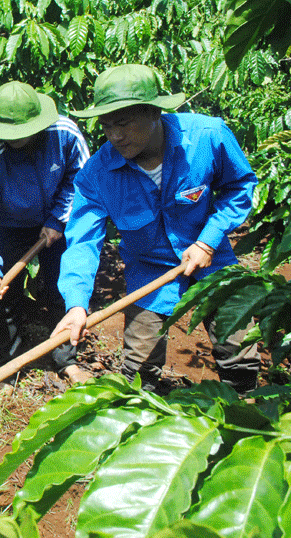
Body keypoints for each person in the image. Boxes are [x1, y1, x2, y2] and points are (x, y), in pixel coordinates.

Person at [52, 64, 260, 393]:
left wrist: (208, 240)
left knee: (239, 354)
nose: (114, 136)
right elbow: (82, 243)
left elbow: (240, 187)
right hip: (150, 272)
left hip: (212, 259)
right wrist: (76, 303)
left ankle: (246, 414)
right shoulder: (97, 175)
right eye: (106, 126)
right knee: (139, 371)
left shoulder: (208, 137)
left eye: (122, 123)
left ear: (153, 113)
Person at [0, 81, 92, 385]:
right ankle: (7, 366)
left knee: (63, 288)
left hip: (56, 222)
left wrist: (58, 219)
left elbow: (83, 180)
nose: (14, 139)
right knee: (7, 297)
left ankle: (66, 360)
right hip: (13, 225)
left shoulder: (65, 135)